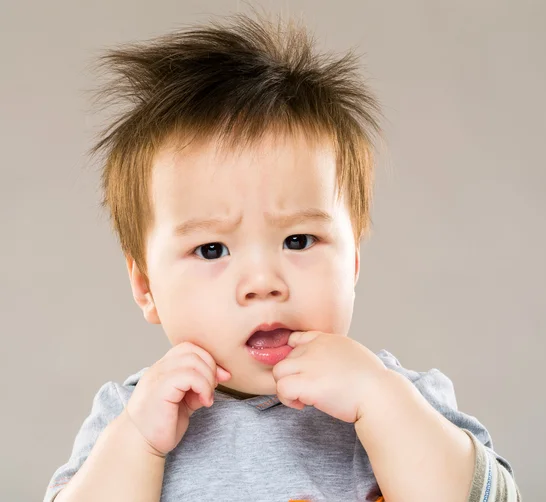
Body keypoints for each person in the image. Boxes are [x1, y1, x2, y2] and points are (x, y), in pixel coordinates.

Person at [43, 11, 520, 502]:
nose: (263, 282)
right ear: (146, 287)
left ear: (352, 260)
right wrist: (138, 443)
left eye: (298, 241)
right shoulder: (131, 415)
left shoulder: (398, 395)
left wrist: (382, 402)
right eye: (212, 249)